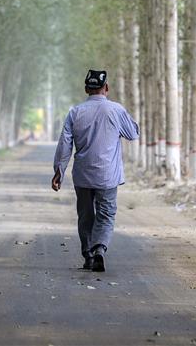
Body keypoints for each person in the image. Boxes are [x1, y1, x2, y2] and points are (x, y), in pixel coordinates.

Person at [51, 69, 139, 272]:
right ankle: (99, 248)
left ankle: (88, 256)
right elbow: (133, 134)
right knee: (106, 214)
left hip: (82, 175)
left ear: (86, 89)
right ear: (106, 88)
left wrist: (59, 171)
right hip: (108, 176)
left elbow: (65, 144)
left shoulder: (75, 112)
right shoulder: (116, 110)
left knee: (85, 216)